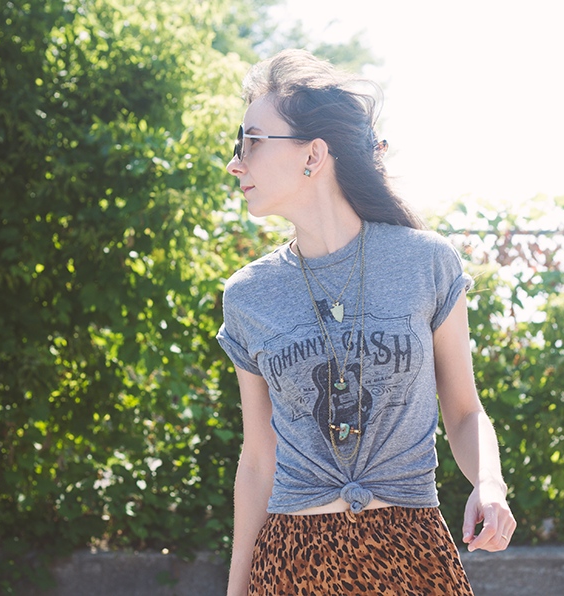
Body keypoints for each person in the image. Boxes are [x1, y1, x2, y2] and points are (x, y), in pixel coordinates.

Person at [216, 49, 516, 596]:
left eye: (252, 141)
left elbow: (465, 411)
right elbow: (258, 460)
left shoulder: (426, 262)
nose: (236, 163)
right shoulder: (248, 295)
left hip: (412, 555)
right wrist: (237, 589)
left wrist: (489, 485)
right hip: (291, 564)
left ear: (313, 154)